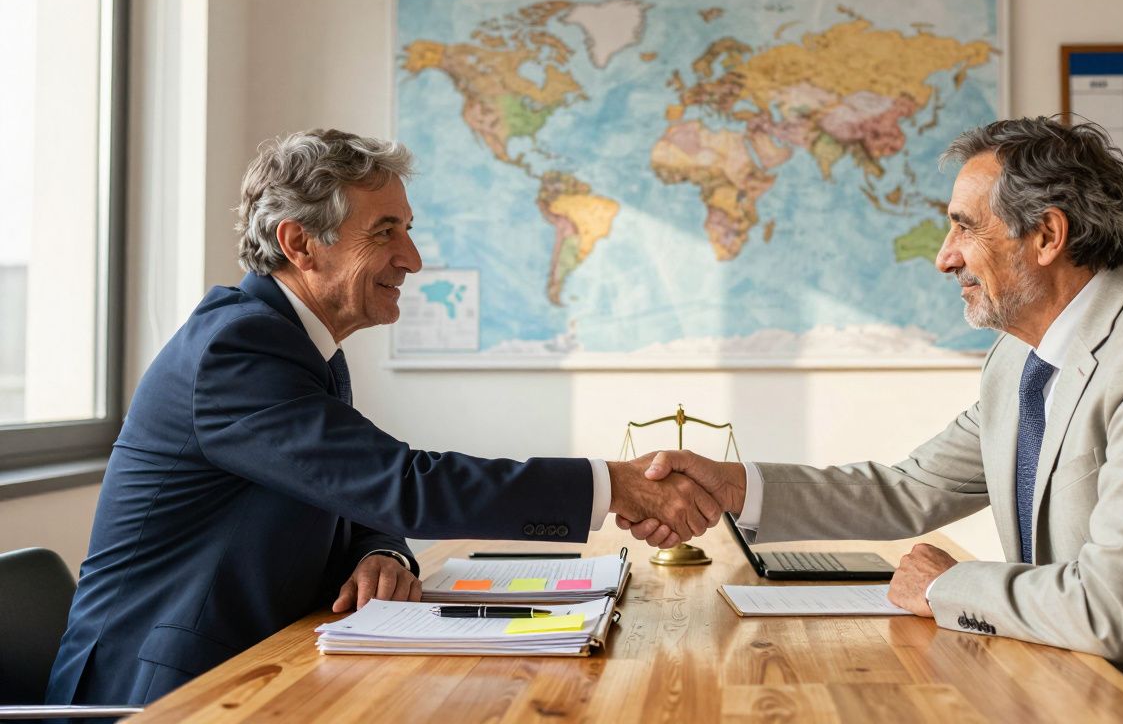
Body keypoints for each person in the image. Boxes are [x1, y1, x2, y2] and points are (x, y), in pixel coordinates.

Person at [626, 118, 1123, 722]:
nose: (943, 256)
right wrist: (729, 486)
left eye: (963, 225)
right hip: (1072, 690)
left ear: (1047, 234)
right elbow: (908, 489)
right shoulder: (1019, 362)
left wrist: (945, 586)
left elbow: (1115, 612)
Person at [46, 129, 722, 707]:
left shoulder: (302, 346)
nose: (413, 259)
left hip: (253, 671)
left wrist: (381, 549)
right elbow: (402, 482)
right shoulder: (238, 351)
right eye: (385, 232)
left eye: (408, 230)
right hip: (160, 693)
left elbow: (353, 487)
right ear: (301, 243)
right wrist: (612, 484)